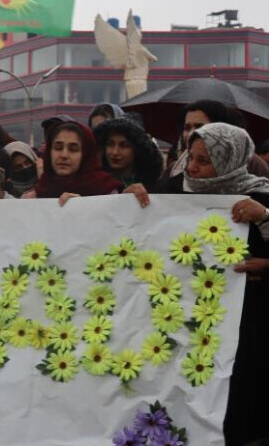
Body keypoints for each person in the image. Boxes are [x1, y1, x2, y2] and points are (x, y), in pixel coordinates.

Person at [125, 123, 269, 444]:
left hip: (245, 328)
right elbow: (142, 232)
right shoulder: (173, 191)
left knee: (236, 409)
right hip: (179, 319)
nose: (192, 167)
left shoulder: (259, 197)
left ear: (230, 159)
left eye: (204, 161)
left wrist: (264, 220)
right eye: (190, 157)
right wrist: (128, 202)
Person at [27, 121, 122, 203]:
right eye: (58, 148)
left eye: (73, 149)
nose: (64, 155)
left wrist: (83, 205)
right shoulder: (40, 191)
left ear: (85, 154)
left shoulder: (105, 188)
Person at [92, 117, 164, 192]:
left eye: (124, 146)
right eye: (110, 144)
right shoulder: (97, 182)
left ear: (137, 149)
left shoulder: (155, 183)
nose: (115, 152)